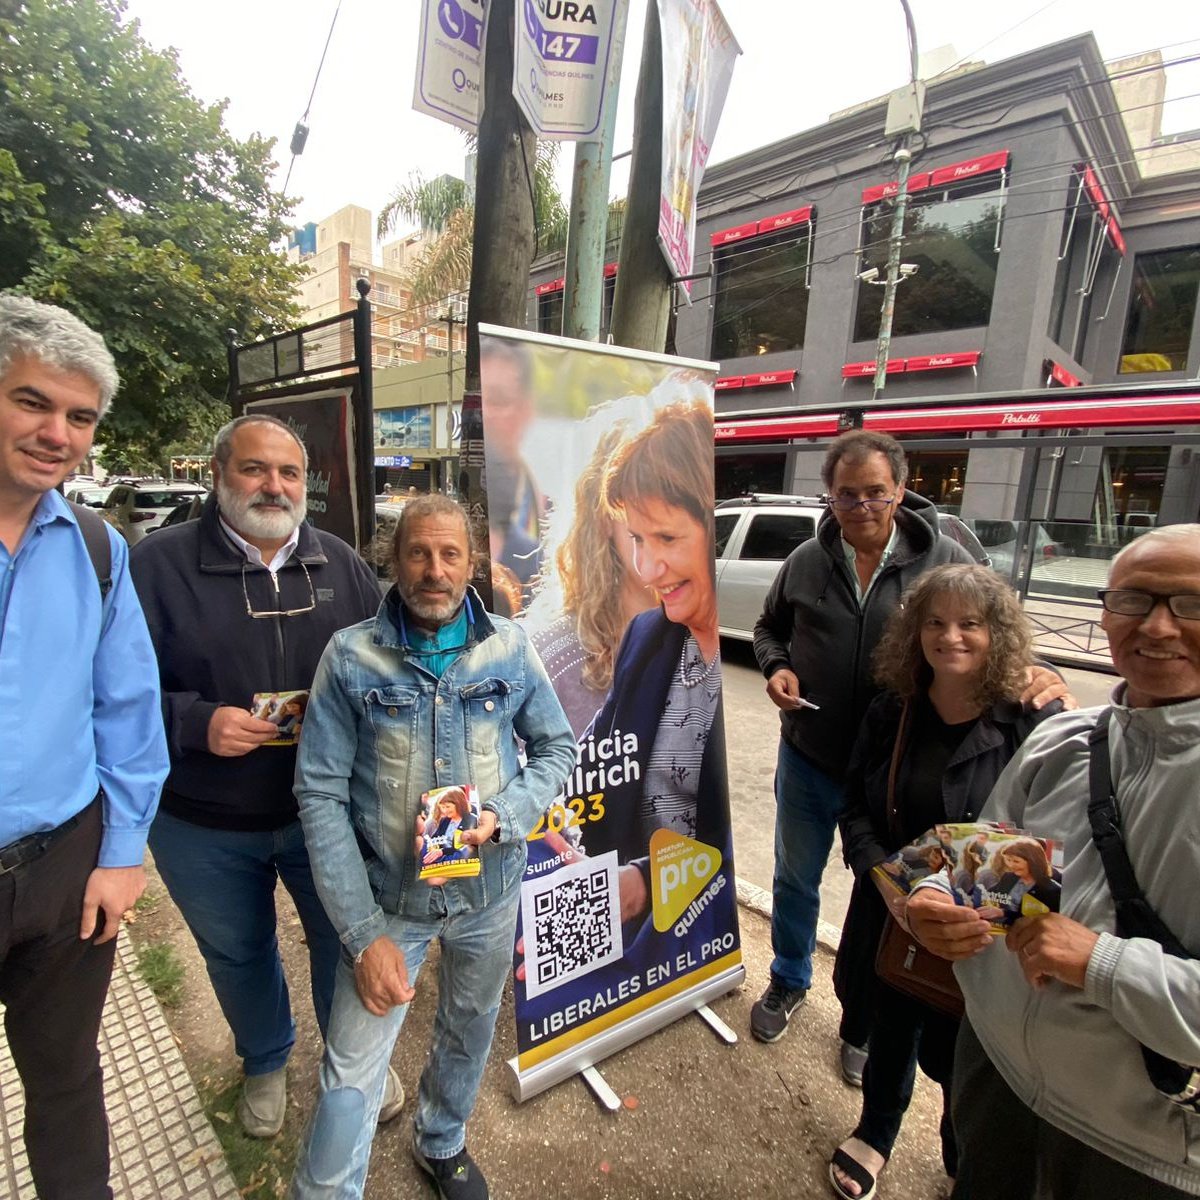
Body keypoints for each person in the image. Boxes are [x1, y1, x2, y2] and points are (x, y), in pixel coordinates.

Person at [749, 430, 1070, 1064]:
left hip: (895, 770)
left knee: (892, 894)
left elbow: (990, 632)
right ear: (829, 496)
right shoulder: (806, 562)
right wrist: (774, 666)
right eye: (847, 495)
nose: (861, 507)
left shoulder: (943, 560)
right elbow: (768, 628)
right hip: (810, 758)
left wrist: (1041, 673)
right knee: (796, 879)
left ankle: (864, 1021)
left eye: (875, 492)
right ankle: (789, 980)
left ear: (899, 488)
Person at [290, 494, 575, 1200]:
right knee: (352, 1070)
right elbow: (319, 794)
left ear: (472, 564)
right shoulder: (351, 656)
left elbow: (556, 746)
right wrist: (361, 935)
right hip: (390, 903)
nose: (434, 570)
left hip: (488, 892)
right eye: (418, 552)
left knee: (468, 1029)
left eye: (450, 554)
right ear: (394, 560)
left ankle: (441, 1140)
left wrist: (505, 814)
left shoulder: (509, 646)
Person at [908, 525, 1200, 1199]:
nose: (1157, 626)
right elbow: (977, 858)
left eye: (1188, 603)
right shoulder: (1066, 737)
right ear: (1105, 613)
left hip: (1141, 1150)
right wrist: (932, 898)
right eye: (1134, 600)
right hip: (995, 1072)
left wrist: (1100, 961)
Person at [129, 414, 387, 1139]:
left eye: (289, 473)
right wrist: (194, 722)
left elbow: (389, 670)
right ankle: (265, 1059)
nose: (273, 485)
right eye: (254, 469)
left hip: (326, 818)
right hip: (200, 820)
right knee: (238, 952)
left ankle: (356, 1056)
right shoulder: (158, 566)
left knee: (345, 940)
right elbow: (112, 690)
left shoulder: (342, 565)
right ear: (218, 475)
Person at [0, 295, 169, 1199]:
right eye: (31, 402)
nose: (56, 433)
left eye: (79, 417)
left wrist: (121, 853)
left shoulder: (100, 549)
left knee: (66, 1081)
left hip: (66, 868)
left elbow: (127, 710)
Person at [828, 564, 1060, 1199]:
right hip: (895, 915)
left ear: (998, 634)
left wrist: (996, 913)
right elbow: (853, 806)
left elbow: (1056, 838)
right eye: (935, 621)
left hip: (991, 936)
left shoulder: (1030, 721)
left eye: (969, 623)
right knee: (891, 1024)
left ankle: (963, 1159)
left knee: (973, 1059)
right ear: (914, 632)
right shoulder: (891, 711)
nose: (950, 636)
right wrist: (887, 885)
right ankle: (875, 1134)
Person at [577, 401, 728, 917]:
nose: (646, 567)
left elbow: (735, 833)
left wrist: (644, 881)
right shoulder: (647, 633)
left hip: (702, 922)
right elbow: (595, 754)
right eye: (638, 539)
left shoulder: (752, 663)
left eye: (666, 537)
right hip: (636, 923)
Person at [529, 421, 654, 737]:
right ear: (604, 516)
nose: (662, 519)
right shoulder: (554, 658)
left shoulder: (696, 645)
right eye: (645, 495)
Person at [480, 338, 544, 590]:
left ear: (526, 411)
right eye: (479, 401)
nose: (484, 414)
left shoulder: (559, 522)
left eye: (497, 400)